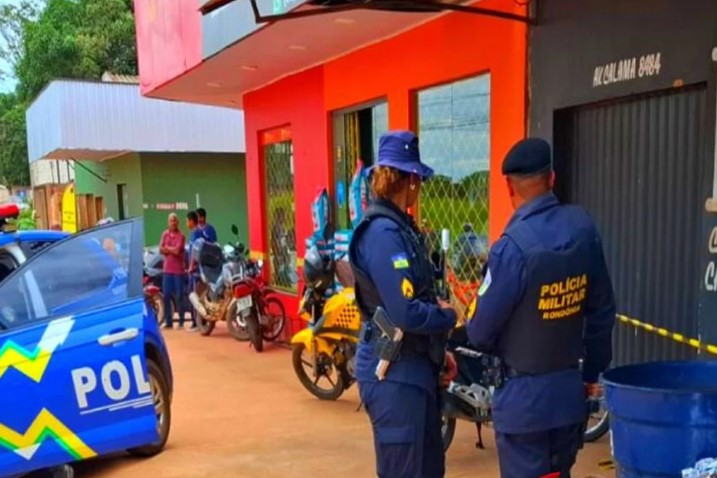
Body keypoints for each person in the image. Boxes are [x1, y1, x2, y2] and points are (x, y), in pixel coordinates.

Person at [466, 138, 616, 478]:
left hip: (523, 408)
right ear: (552, 178)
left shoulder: (511, 250)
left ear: (509, 187)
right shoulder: (583, 230)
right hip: (568, 399)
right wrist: (591, 373)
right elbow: (602, 312)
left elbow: (479, 330)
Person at [348, 130, 458, 478]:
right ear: (409, 180)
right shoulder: (383, 234)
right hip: (394, 372)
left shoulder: (401, 229)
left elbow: (415, 295)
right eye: (418, 180)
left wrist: (440, 351)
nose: (419, 187)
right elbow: (405, 311)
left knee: (428, 469)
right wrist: (448, 317)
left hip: (414, 366)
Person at [159, 213, 188, 330]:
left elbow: (177, 251)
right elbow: (160, 249)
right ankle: (169, 321)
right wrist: (170, 249)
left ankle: (181, 320)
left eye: (175, 220)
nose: (173, 223)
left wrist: (167, 248)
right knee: (166, 295)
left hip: (178, 271)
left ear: (178, 222)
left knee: (180, 295)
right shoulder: (164, 234)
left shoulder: (181, 236)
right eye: (171, 221)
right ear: (168, 222)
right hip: (167, 270)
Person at [184, 211, 202, 331]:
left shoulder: (195, 233)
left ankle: (196, 322)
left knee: (193, 296)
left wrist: (191, 267)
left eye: (187, 221)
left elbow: (195, 252)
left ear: (191, 221)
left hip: (195, 272)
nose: (186, 223)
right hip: (196, 271)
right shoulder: (196, 233)